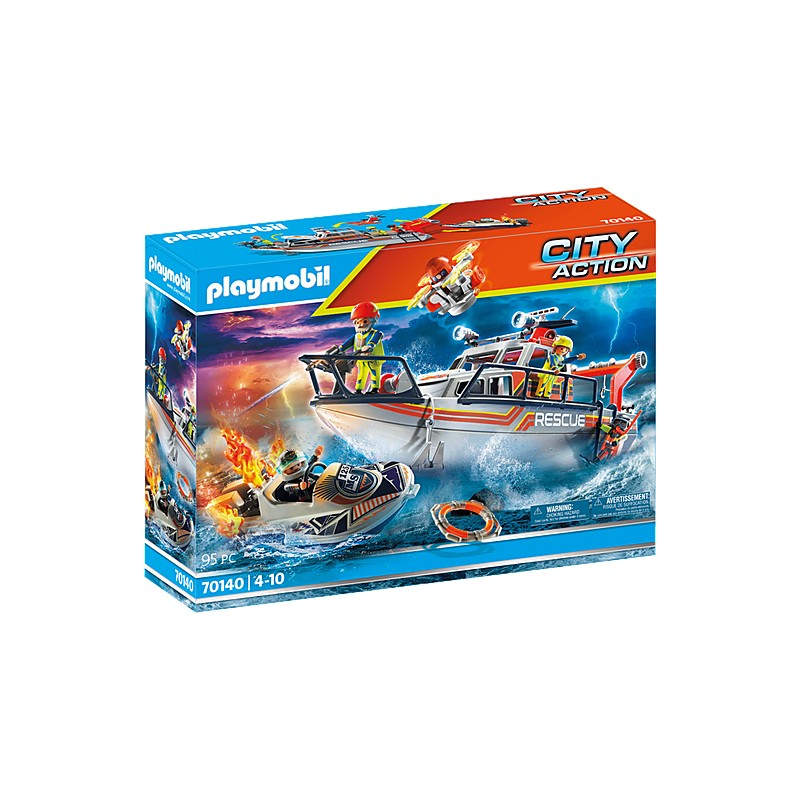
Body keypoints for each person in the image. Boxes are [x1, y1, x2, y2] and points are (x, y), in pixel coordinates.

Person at [340, 301, 384, 392]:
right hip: (361, 359)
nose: (361, 325)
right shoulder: (357, 336)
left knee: (374, 374)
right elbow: (347, 344)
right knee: (361, 375)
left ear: (373, 320)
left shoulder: (376, 333)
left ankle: (375, 389)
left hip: (373, 359)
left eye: (365, 321)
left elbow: (374, 340)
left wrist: (370, 346)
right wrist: (339, 349)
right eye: (357, 322)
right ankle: (359, 390)